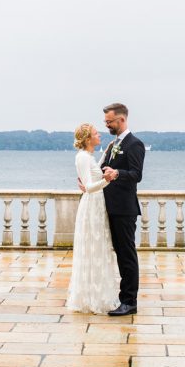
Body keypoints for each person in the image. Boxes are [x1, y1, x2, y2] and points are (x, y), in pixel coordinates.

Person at [66, 122, 120, 314]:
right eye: (97, 134)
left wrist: (106, 153)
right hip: (91, 205)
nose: (100, 135)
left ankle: (97, 294)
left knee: (98, 248)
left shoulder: (88, 157)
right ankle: (91, 297)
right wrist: (108, 180)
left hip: (98, 204)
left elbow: (93, 173)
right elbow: (89, 186)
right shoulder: (82, 157)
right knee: (92, 248)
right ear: (88, 139)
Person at [99, 103, 146, 316]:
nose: (107, 125)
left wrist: (117, 173)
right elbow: (104, 171)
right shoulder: (112, 145)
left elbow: (136, 174)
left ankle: (129, 301)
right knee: (119, 254)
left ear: (122, 120)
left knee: (127, 255)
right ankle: (122, 298)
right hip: (110, 207)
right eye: (106, 122)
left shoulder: (135, 144)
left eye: (110, 122)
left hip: (124, 209)